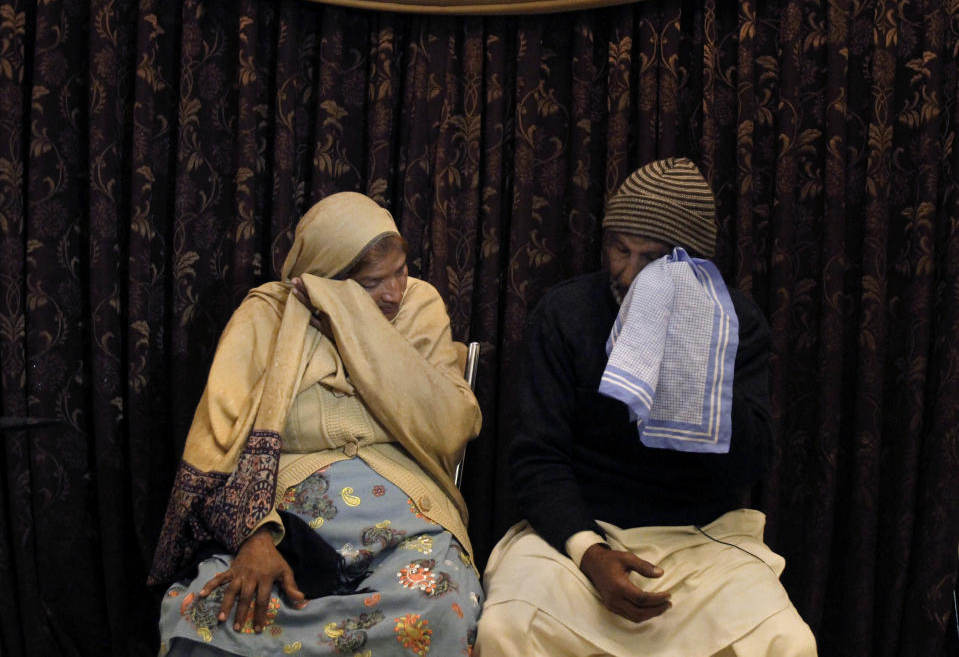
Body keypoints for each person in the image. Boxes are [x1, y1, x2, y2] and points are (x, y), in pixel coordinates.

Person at [475, 158, 816, 656]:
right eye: (619, 248)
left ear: (687, 263)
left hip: (701, 540)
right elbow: (537, 459)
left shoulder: (734, 323)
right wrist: (590, 553)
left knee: (787, 642)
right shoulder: (565, 313)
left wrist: (694, 359)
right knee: (506, 629)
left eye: (650, 258)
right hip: (578, 536)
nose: (628, 272)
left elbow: (752, 464)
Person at [149, 192, 483, 656]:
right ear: (326, 277)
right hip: (288, 522)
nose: (394, 292)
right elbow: (218, 442)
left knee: (439, 607)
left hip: (409, 513)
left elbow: (451, 425)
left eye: (401, 270)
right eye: (370, 283)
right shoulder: (267, 313)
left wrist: (352, 319)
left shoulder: (418, 305)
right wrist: (256, 536)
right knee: (208, 611)